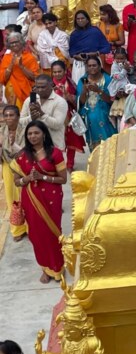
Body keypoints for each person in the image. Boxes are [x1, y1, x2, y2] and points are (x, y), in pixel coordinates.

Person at [10, 121, 67, 282]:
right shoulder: (22, 155)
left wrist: (43, 177)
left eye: (36, 133)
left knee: (52, 233)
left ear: (44, 134)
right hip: (31, 199)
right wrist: (27, 179)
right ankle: (46, 268)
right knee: (36, 235)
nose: (33, 136)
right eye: (30, 134)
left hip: (51, 198)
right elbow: (16, 181)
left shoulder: (54, 153)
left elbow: (63, 179)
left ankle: (58, 267)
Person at [20, 74, 69, 156]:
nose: (40, 90)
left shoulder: (60, 102)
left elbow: (57, 124)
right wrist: (31, 118)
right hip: (32, 147)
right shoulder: (29, 100)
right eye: (37, 87)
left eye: (43, 87)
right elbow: (20, 122)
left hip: (53, 146)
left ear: (51, 86)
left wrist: (41, 114)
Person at [50, 60, 85, 171]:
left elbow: (78, 101)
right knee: (53, 141)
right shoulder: (48, 84)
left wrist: (67, 95)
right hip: (53, 116)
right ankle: (56, 165)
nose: (57, 74)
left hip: (69, 116)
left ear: (65, 71)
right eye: (54, 72)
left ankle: (69, 165)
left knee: (71, 141)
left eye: (59, 71)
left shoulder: (71, 84)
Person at [77, 56, 115, 149]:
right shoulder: (83, 80)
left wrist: (99, 91)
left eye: (94, 65)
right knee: (94, 149)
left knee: (108, 146)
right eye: (89, 66)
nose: (91, 68)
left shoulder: (107, 79)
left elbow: (111, 100)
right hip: (89, 118)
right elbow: (80, 102)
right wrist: (84, 91)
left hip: (105, 117)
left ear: (99, 66)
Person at [0, 105, 26, 241]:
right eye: (6, 115)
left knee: (26, 198)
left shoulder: (26, 130)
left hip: (23, 167)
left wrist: (13, 144)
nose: (9, 118)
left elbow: (28, 150)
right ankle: (17, 230)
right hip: (7, 167)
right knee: (12, 199)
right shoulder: (0, 131)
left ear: (18, 116)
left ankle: (29, 227)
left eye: (12, 115)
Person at [69, 9, 111, 82]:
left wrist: (95, 53)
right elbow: (71, 52)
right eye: (78, 19)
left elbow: (106, 47)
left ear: (87, 20)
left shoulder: (95, 31)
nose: (80, 20)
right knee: (81, 85)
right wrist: (77, 56)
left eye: (82, 18)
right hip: (80, 64)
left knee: (97, 84)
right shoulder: (74, 34)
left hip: (94, 62)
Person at [0, 32, 40, 109]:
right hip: (12, 90)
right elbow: (3, 78)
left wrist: (22, 67)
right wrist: (11, 64)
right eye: (11, 43)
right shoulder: (6, 58)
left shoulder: (29, 57)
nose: (14, 44)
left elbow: (35, 77)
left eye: (16, 42)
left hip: (27, 89)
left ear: (21, 42)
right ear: (9, 45)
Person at [98, 4, 125, 69]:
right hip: (102, 53)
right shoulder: (100, 24)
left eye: (104, 14)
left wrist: (112, 43)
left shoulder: (118, 25)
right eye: (101, 14)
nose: (102, 16)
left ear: (110, 14)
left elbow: (122, 41)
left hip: (115, 54)